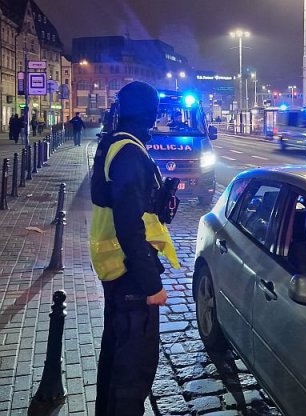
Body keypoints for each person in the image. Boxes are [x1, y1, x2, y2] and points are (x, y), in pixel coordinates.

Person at [90, 81, 180, 416]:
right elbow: (129, 224)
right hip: (130, 274)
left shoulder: (114, 144)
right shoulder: (129, 153)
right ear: (150, 113)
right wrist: (151, 284)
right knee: (133, 369)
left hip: (116, 267)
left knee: (115, 357)